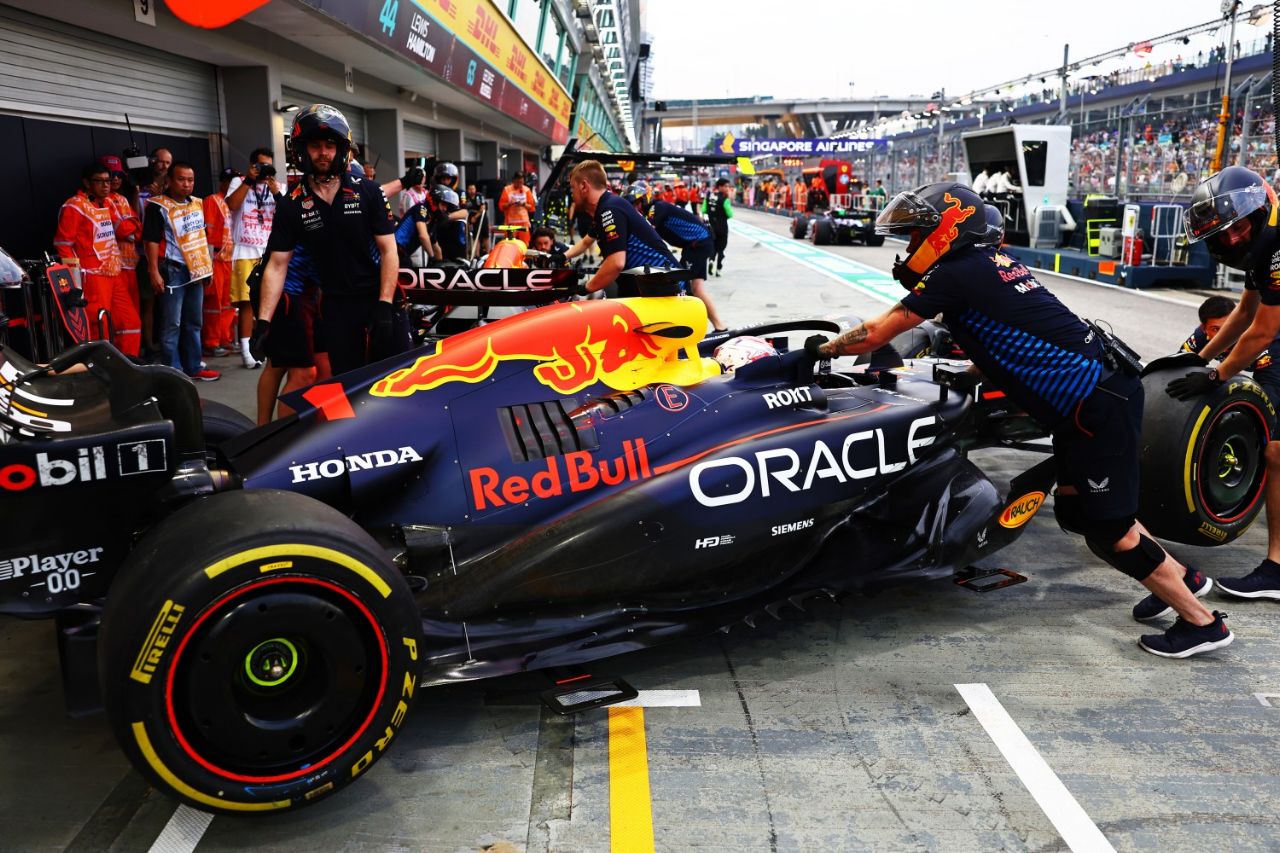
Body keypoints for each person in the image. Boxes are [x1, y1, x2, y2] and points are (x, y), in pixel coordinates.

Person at [807, 182, 1232, 658]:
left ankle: (1201, 622)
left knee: (1108, 527)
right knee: (1079, 512)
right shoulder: (988, 265)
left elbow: (879, 331)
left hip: (1096, 406)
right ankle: (1182, 578)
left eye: (914, 235)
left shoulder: (958, 271)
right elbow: (1004, 333)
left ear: (946, 230)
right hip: (1096, 399)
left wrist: (816, 352)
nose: (908, 247)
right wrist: (968, 372)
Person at [1168, 166, 1280, 599]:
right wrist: (1194, 359)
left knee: (1275, 450)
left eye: (1238, 228)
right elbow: (1244, 313)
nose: (1232, 240)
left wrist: (1216, 374)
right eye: (1222, 235)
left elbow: (1264, 332)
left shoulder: (1273, 241)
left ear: (1258, 212)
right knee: (1275, 450)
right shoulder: (1263, 240)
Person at [254, 104, 406, 377]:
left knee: (396, 382)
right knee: (349, 385)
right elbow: (277, 265)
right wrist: (263, 322)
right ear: (300, 150)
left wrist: (384, 304)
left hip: (380, 299)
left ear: (341, 149)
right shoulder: (291, 204)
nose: (323, 153)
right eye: (315, 145)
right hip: (336, 306)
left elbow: (388, 251)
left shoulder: (368, 192)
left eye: (330, 145)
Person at [142, 161, 219, 381]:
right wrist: (154, 271)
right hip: (172, 270)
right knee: (172, 323)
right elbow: (151, 240)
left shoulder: (197, 203)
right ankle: (173, 371)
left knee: (194, 322)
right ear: (169, 181)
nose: (186, 184)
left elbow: (201, 238)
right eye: (181, 179)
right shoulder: (158, 206)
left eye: (190, 180)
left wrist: (207, 268)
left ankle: (194, 367)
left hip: (196, 270)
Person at [54, 162, 141, 356]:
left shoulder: (109, 202)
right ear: (86, 182)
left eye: (108, 181)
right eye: (99, 181)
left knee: (130, 323)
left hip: (114, 271)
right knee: (98, 326)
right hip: (92, 276)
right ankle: (101, 372)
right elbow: (63, 246)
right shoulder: (74, 206)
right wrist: (75, 284)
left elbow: (126, 228)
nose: (105, 186)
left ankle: (130, 367)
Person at [561, 161, 679, 296]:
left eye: (572, 188)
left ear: (583, 186)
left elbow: (616, 263)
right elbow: (586, 242)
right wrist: (562, 256)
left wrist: (586, 288)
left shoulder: (610, 209)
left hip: (666, 288)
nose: (572, 194)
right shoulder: (606, 207)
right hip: (647, 287)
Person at [626, 182, 726, 331]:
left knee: (682, 283)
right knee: (697, 289)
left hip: (698, 244)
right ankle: (720, 326)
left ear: (645, 199)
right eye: (632, 204)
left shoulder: (656, 208)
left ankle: (691, 327)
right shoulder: (653, 210)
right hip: (697, 244)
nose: (636, 207)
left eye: (637, 203)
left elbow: (647, 233)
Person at [226, 147, 282, 369]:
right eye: (261, 166)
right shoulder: (239, 182)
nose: (264, 170)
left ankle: (271, 343)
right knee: (247, 303)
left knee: (272, 300)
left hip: (269, 251)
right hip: (245, 249)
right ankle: (247, 350)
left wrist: (276, 191)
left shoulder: (278, 186)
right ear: (252, 166)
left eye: (268, 165)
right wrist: (249, 180)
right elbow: (232, 205)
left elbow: (287, 212)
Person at [100, 155, 144, 352]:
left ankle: (132, 357)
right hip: (113, 268)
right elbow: (123, 229)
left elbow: (137, 228)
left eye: (118, 175)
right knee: (120, 319)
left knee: (134, 315)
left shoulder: (123, 198)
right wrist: (132, 227)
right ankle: (123, 358)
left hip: (130, 264)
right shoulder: (103, 201)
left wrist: (132, 227)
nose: (116, 179)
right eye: (111, 175)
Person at [202, 167, 238, 356]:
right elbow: (207, 233)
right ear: (223, 182)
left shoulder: (233, 203)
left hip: (229, 260)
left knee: (228, 303)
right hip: (215, 260)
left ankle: (226, 338)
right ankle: (212, 342)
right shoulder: (212, 200)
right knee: (213, 304)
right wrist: (207, 263)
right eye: (230, 182)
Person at [429, 162, 469, 262]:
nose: (446, 181)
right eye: (443, 178)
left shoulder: (460, 192)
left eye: (448, 178)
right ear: (438, 179)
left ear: (453, 179)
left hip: (455, 230)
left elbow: (465, 212)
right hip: (438, 229)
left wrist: (448, 216)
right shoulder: (434, 192)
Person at [498, 171, 537, 246]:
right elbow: (501, 206)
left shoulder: (527, 190)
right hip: (510, 222)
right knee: (509, 244)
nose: (520, 185)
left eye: (521, 182)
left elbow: (531, 207)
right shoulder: (507, 190)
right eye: (518, 182)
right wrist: (510, 203)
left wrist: (524, 204)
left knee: (525, 243)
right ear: (514, 180)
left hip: (523, 222)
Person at [704, 178, 733, 277]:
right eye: (725, 186)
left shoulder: (708, 197)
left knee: (713, 246)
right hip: (722, 227)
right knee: (721, 248)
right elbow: (730, 214)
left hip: (711, 227)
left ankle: (711, 259)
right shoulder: (725, 199)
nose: (727, 188)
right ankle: (719, 269)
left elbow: (704, 210)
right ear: (720, 186)